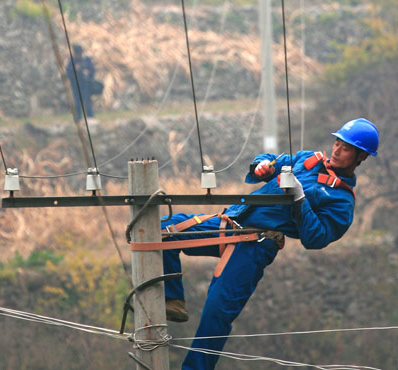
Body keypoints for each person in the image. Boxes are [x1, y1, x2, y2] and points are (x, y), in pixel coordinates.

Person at [162, 117, 380, 370]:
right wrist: (262, 166)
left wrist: (299, 199)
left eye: (346, 148)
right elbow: (272, 160)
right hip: (230, 223)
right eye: (337, 142)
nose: (337, 150)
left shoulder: (341, 200)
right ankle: (171, 300)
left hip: (256, 244)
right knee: (164, 231)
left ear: (360, 157)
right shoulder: (308, 159)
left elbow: (317, 237)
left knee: (217, 309)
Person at [66, 44, 95, 120]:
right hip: (75, 84)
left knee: (87, 100)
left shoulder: (87, 59)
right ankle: (78, 117)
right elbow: (68, 71)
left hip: (86, 84)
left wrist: (88, 72)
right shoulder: (72, 61)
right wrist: (75, 69)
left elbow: (92, 69)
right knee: (77, 101)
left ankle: (90, 117)